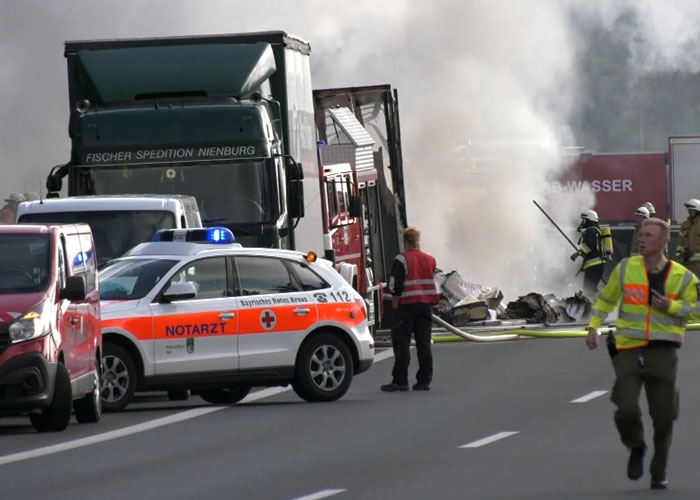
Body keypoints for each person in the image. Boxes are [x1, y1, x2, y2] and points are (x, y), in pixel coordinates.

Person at [586, 218, 698, 490]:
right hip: (628, 347)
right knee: (625, 406)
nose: (642, 239)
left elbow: (696, 307)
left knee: (663, 416)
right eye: (640, 234)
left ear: (663, 241)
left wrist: (671, 306)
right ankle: (636, 445)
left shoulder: (682, 276)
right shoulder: (625, 269)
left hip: (663, 349)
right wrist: (593, 327)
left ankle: (658, 471)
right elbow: (606, 299)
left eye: (648, 235)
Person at [381, 227, 439, 392]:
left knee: (402, 343)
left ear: (405, 241)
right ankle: (424, 381)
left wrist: (394, 304)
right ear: (418, 241)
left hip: (406, 306)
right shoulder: (430, 259)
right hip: (426, 306)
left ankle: (400, 381)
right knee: (424, 344)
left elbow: (395, 285)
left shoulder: (401, 259)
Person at [570, 209, 605, 299]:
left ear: (589, 220)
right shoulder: (595, 230)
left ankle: (599, 305)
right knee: (590, 289)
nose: (582, 222)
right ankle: (598, 304)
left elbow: (589, 247)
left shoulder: (591, 231)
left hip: (594, 266)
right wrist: (584, 266)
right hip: (595, 266)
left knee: (589, 290)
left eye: (584, 220)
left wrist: (577, 254)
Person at [674, 198, 700, 277]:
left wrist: (692, 254)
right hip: (687, 263)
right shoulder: (685, 225)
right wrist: (679, 255)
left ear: (697, 211)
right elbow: (680, 242)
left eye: (692, 210)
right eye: (689, 210)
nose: (689, 212)